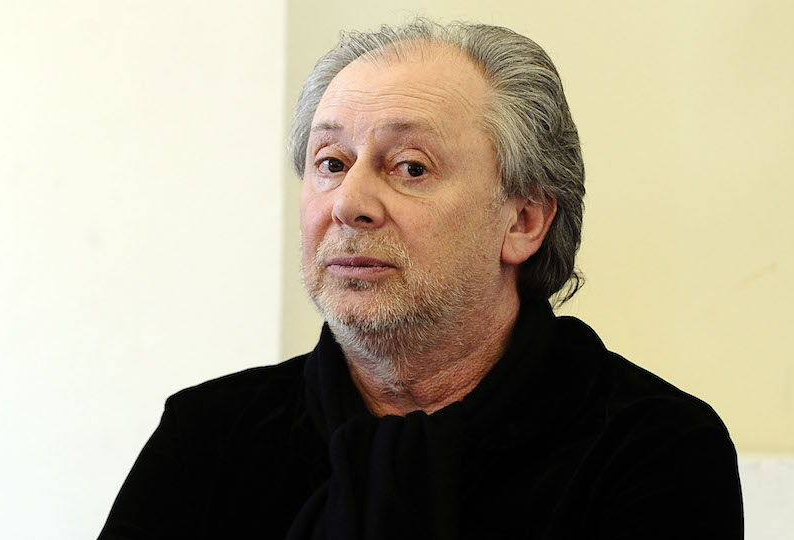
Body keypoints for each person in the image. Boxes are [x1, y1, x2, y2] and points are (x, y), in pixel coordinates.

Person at [98, 19, 743, 540]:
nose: (349, 203)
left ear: (522, 221)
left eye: (410, 167)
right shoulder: (209, 433)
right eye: (331, 162)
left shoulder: (652, 447)